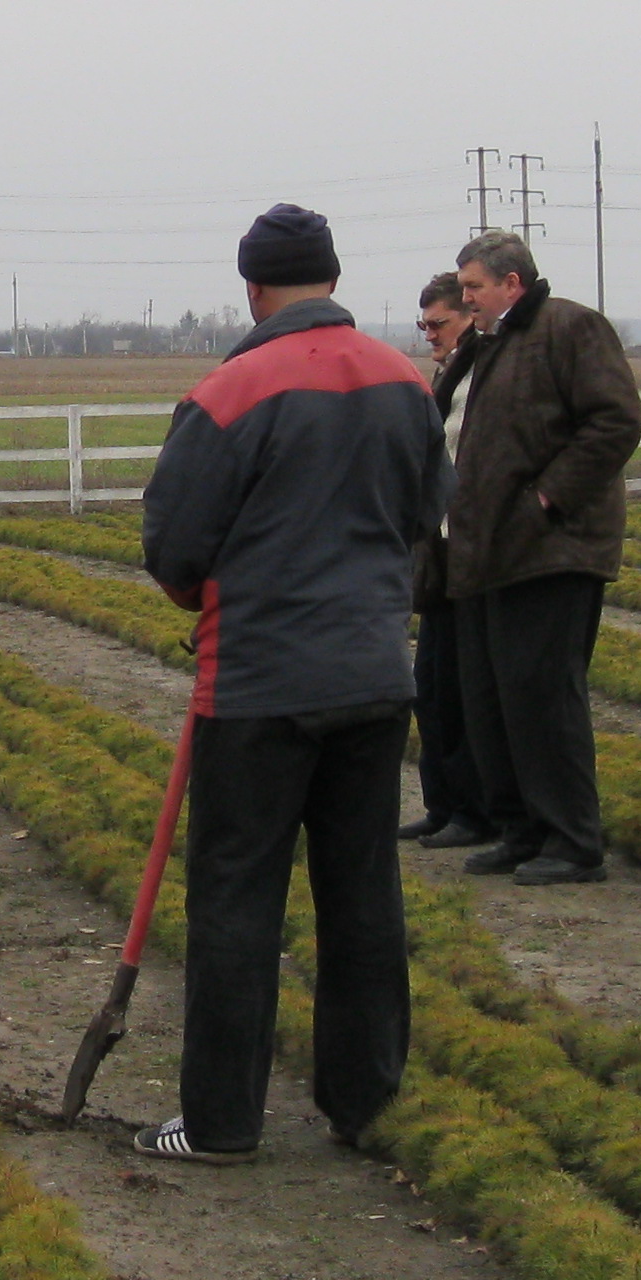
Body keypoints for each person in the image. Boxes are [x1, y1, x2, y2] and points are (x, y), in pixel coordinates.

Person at [129, 204, 446, 1162]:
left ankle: (223, 1123)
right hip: (375, 676)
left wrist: (207, 595)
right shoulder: (409, 385)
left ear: (254, 288)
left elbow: (174, 544)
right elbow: (429, 521)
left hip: (258, 686)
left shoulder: (230, 391)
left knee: (236, 897)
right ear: (336, 281)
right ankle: (364, 1103)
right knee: (362, 889)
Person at [440, 230, 641, 886]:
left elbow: (614, 422)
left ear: (512, 284)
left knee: (543, 698)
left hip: (553, 550)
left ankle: (572, 841)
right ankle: (520, 829)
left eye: (473, 286)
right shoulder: (487, 344)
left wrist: (546, 503)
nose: (464, 296)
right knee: (493, 698)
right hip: (484, 552)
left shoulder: (571, 329)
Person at [400, 273, 497, 850]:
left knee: (461, 689)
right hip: (440, 552)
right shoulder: (450, 374)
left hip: (471, 555)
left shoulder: (485, 372)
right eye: (424, 326)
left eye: (438, 324)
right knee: (430, 686)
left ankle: (474, 810)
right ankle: (443, 804)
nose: (429, 335)